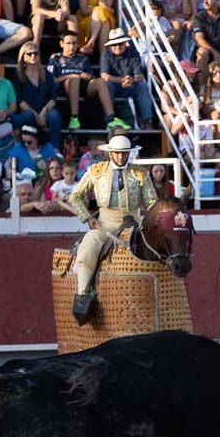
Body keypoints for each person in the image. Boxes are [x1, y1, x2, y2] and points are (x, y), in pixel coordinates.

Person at [67, 134, 157, 322]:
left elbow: (152, 203)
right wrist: (87, 217)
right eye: (116, 153)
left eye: (124, 153)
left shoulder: (140, 173)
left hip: (134, 224)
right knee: (88, 247)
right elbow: (74, 196)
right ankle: (83, 296)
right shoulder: (96, 171)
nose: (120, 157)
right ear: (110, 153)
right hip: (104, 223)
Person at [99, 29, 151, 130]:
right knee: (106, 86)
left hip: (130, 84)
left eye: (120, 44)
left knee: (142, 85)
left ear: (125, 43)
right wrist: (121, 80)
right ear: (110, 45)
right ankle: (109, 121)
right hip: (114, 85)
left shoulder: (133, 52)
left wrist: (132, 80)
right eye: (114, 45)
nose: (117, 47)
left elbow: (139, 75)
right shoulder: (106, 54)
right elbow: (104, 75)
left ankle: (147, 120)